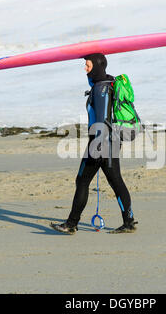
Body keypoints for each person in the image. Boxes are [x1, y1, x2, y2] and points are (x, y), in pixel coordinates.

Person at [50, 53, 137, 234]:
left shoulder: (100, 89)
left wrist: (98, 143)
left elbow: (103, 117)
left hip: (101, 141)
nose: (85, 68)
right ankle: (128, 221)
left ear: (97, 66)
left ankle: (71, 224)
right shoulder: (109, 84)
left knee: (82, 181)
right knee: (116, 181)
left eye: (88, 65)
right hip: (111, 141)